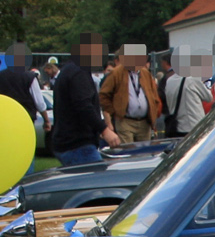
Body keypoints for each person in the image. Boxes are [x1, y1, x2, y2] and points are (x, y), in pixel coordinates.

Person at [50, 33, 120, 166]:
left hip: (69, 142)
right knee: (96, 183)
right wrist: (104, 130)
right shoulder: (79, 72)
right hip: (77, 145)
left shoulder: (70, 70)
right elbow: (83, 106)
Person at [100, 43, 161, 143]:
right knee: (129, 150)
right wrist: (114, 111)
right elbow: (104, 95)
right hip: (125, 121)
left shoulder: (145, 73)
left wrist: (153, 113)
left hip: (144, 122)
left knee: (144, 154)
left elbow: (154, 95)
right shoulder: (117, 73)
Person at [162, 53, 215, 135]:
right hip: (193, 126)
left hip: (176, 127)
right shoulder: (192, 79)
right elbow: (209, 97)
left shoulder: (169, 81)